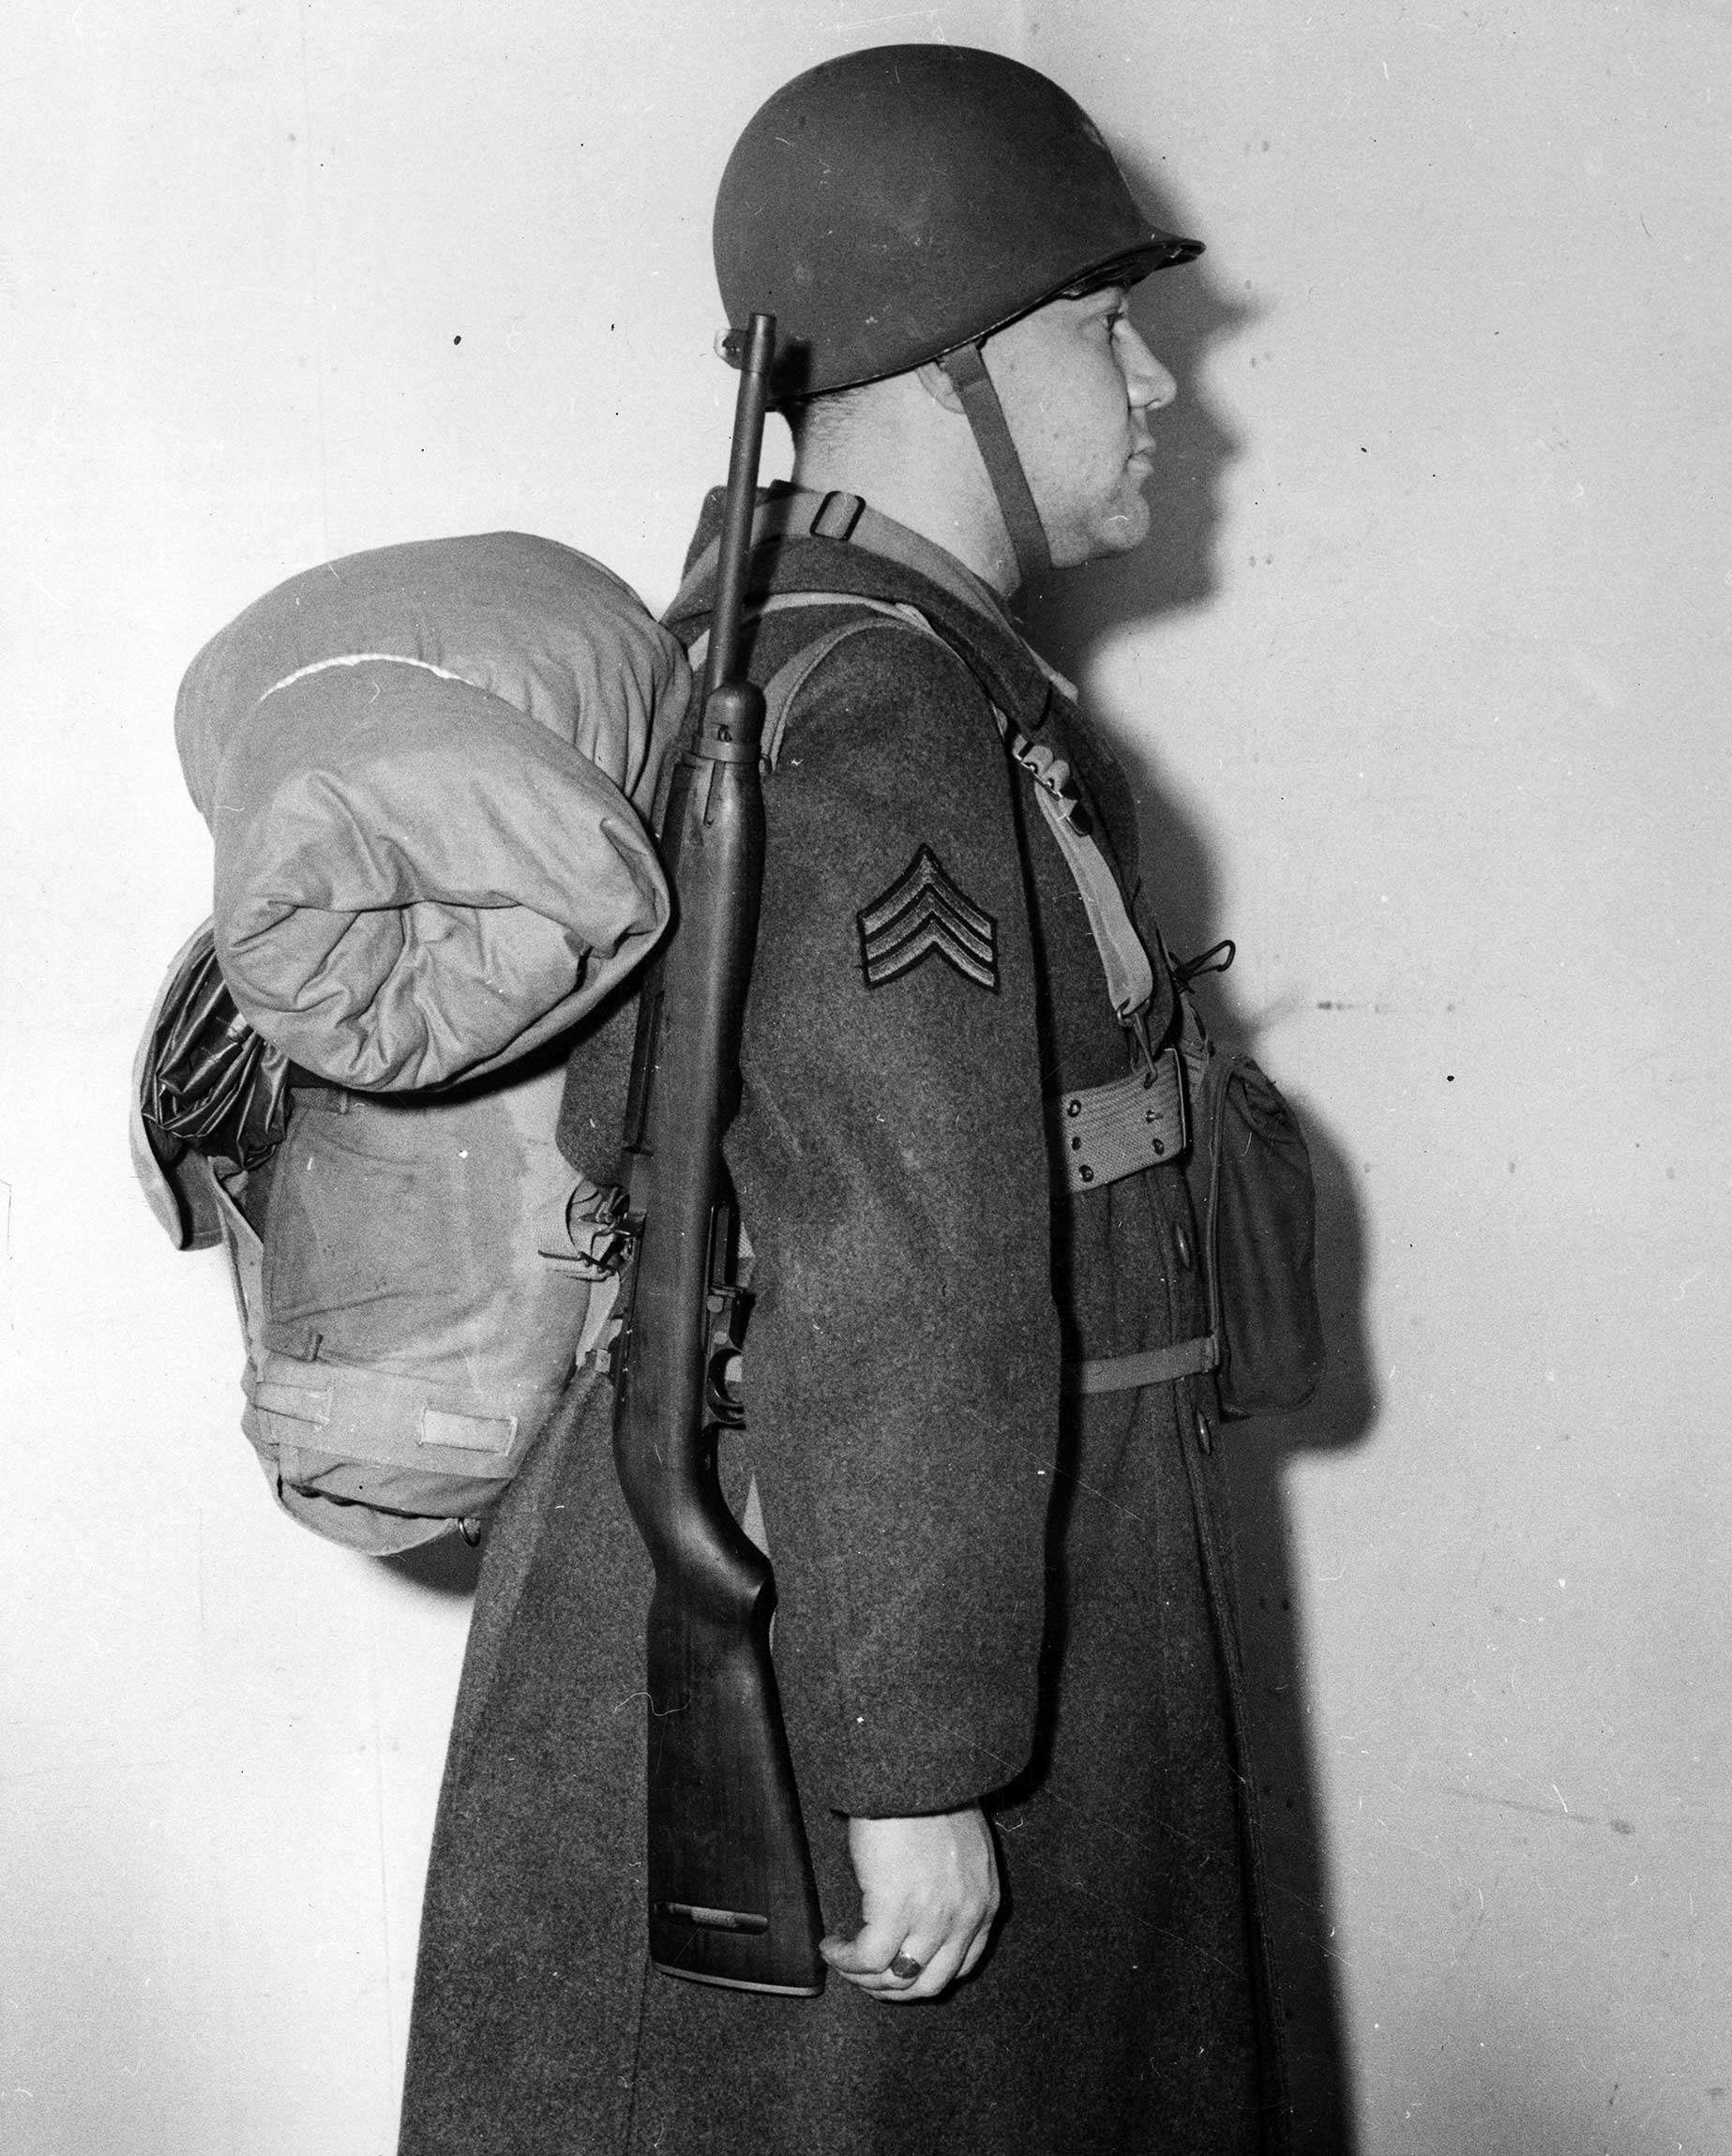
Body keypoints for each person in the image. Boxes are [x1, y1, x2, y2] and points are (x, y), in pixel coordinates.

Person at [400, 44, 1292, 2155]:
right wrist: (912, 1761)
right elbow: (906, 1249)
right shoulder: (879, 704)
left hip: (896, 1576)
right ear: (950, 366)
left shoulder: (786, 653)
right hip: (887, 1635)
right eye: (1104, 330)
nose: (1164, 391)